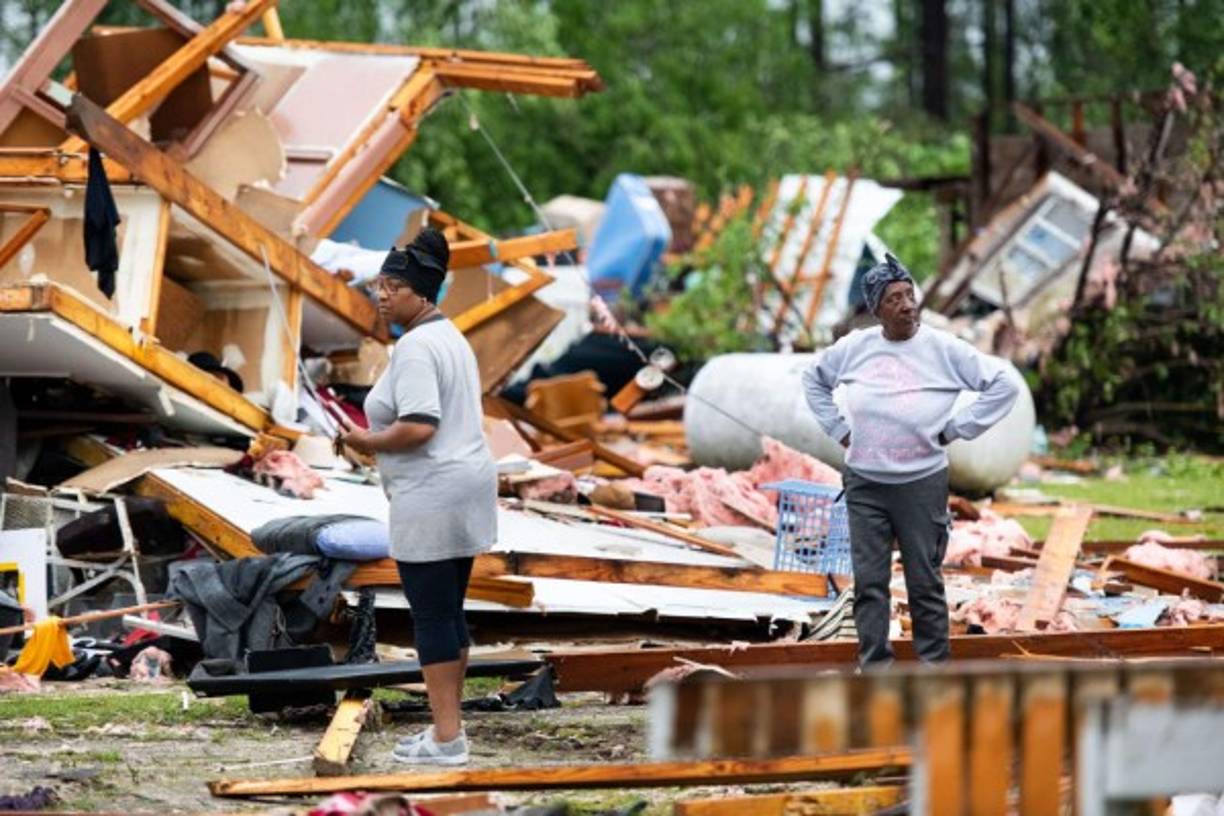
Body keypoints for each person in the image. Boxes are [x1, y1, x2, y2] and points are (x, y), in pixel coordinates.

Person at [802, 254, 1019, 667]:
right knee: (870, 584)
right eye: (893, 298)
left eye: (908, 294)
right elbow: (813, 379)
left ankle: (933, 671)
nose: (906, 305)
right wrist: (839, 429)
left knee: (924, 582)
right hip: (866, 485)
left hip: (922, 484)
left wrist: (956, 429)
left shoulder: (942, 348)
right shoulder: (855, 348)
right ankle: (875, 670)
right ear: (876, 309)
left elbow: (1002, 385)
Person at [338, 228, 496, 765]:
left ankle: (448, 740)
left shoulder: (415, 347)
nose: (382, 295)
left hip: (433, 492)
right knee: (450, 612)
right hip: (466, 485)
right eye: (379, 285)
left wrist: (365, 440)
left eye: (393, 286)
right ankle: (449, 733)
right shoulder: (451, 336)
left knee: (431, 616)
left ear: (422, 292)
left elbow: (419, 425)